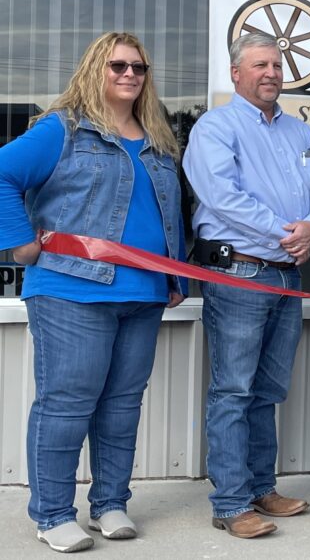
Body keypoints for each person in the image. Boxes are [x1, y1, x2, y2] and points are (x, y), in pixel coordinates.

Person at [0, 32, 185, 553]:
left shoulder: (157, 139)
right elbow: (2, 173)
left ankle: (110, 503)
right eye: (117, 65)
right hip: (70, 290)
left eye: (139, 68)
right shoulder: (63, 129)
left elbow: (168, 215)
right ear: (94, 69)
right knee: (67, 404)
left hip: (143, 294)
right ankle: (53, 514)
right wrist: (20, 244)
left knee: (122, 407)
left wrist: (175, 278)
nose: (130, 75)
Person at [183, 32, 310, 539]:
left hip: (287, 275)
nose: (271, 72)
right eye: (260, 64)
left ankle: (262, 488)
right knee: (233, 390)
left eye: (277, 65)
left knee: (266, 390)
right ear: (236, 73)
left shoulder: (305, 132)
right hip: (240, 274)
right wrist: (285, 233)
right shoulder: (214, 127)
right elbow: (221, 196)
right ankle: (230, 502)